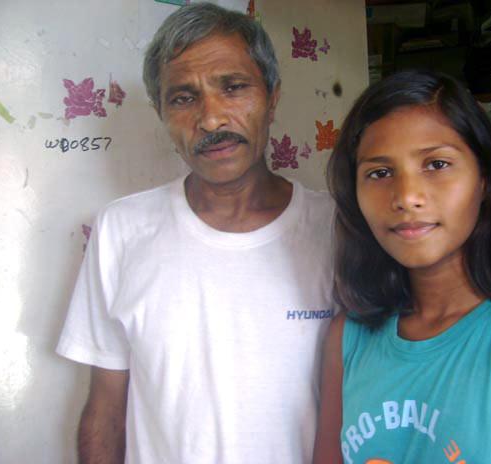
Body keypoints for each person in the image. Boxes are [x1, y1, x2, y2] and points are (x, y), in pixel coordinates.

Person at [57, 3, 335, 463]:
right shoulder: (121, 231)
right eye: (184, 98)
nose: (211, 119)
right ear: (161, 112)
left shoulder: (335, 230)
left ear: (272, 96)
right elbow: (105, 412)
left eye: (233, 87)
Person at [313, 70, 491, 463]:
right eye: (379, 173)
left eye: (436, 164)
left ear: (483, 178)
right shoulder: (348, 337)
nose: (407, 196)